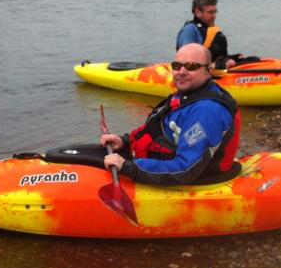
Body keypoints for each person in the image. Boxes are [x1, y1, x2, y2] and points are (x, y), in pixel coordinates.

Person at [100, 43, 241, 186]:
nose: (182, 71)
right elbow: (158, 128)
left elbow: (186, 170)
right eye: (177, 66)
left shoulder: (207, 111)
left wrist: (129, 167)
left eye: (191, 66)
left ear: (208, 70)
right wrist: (125, 141)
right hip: (153, 165)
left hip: (189, 179)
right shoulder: (189, 94)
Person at [176, 0, 243, 69]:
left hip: (215, 74)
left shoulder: (210, 30)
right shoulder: (189, 30)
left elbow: (213, 58)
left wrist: (229, 59)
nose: (214, 16)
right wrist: (215, 66)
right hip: (195, 77)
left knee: (252, 60)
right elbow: (186, 63)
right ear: (198, 12)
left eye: (215, 12)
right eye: (210, 12)